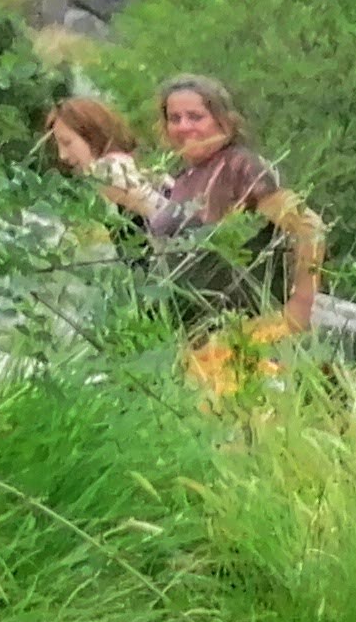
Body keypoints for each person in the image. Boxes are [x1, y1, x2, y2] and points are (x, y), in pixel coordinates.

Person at [131, 75, 323, 398]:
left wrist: (298, 308)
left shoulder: (241, 167)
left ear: (223, 119)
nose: (184, 127)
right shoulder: (186, 176)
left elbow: (310, 228)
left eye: (196, 117)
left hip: (242, 335)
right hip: (194, 344)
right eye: (174, 118)